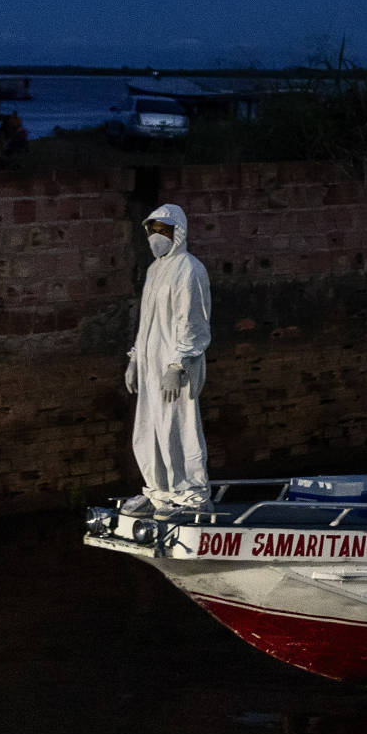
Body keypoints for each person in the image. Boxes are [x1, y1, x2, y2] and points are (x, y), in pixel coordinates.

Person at [124, 203, 211, 509]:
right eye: (151, 231)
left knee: (178, 428)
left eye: (161, 230)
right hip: (150, 365)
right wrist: (135, 359)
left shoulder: (189, 268)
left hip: (175, 366)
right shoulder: (154, 270)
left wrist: (178, 364)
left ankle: (192, 496)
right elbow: (146, 321)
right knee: (149, 429)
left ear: (178, 232)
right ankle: (159, 492)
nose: (154, 237)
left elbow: (193, 322)